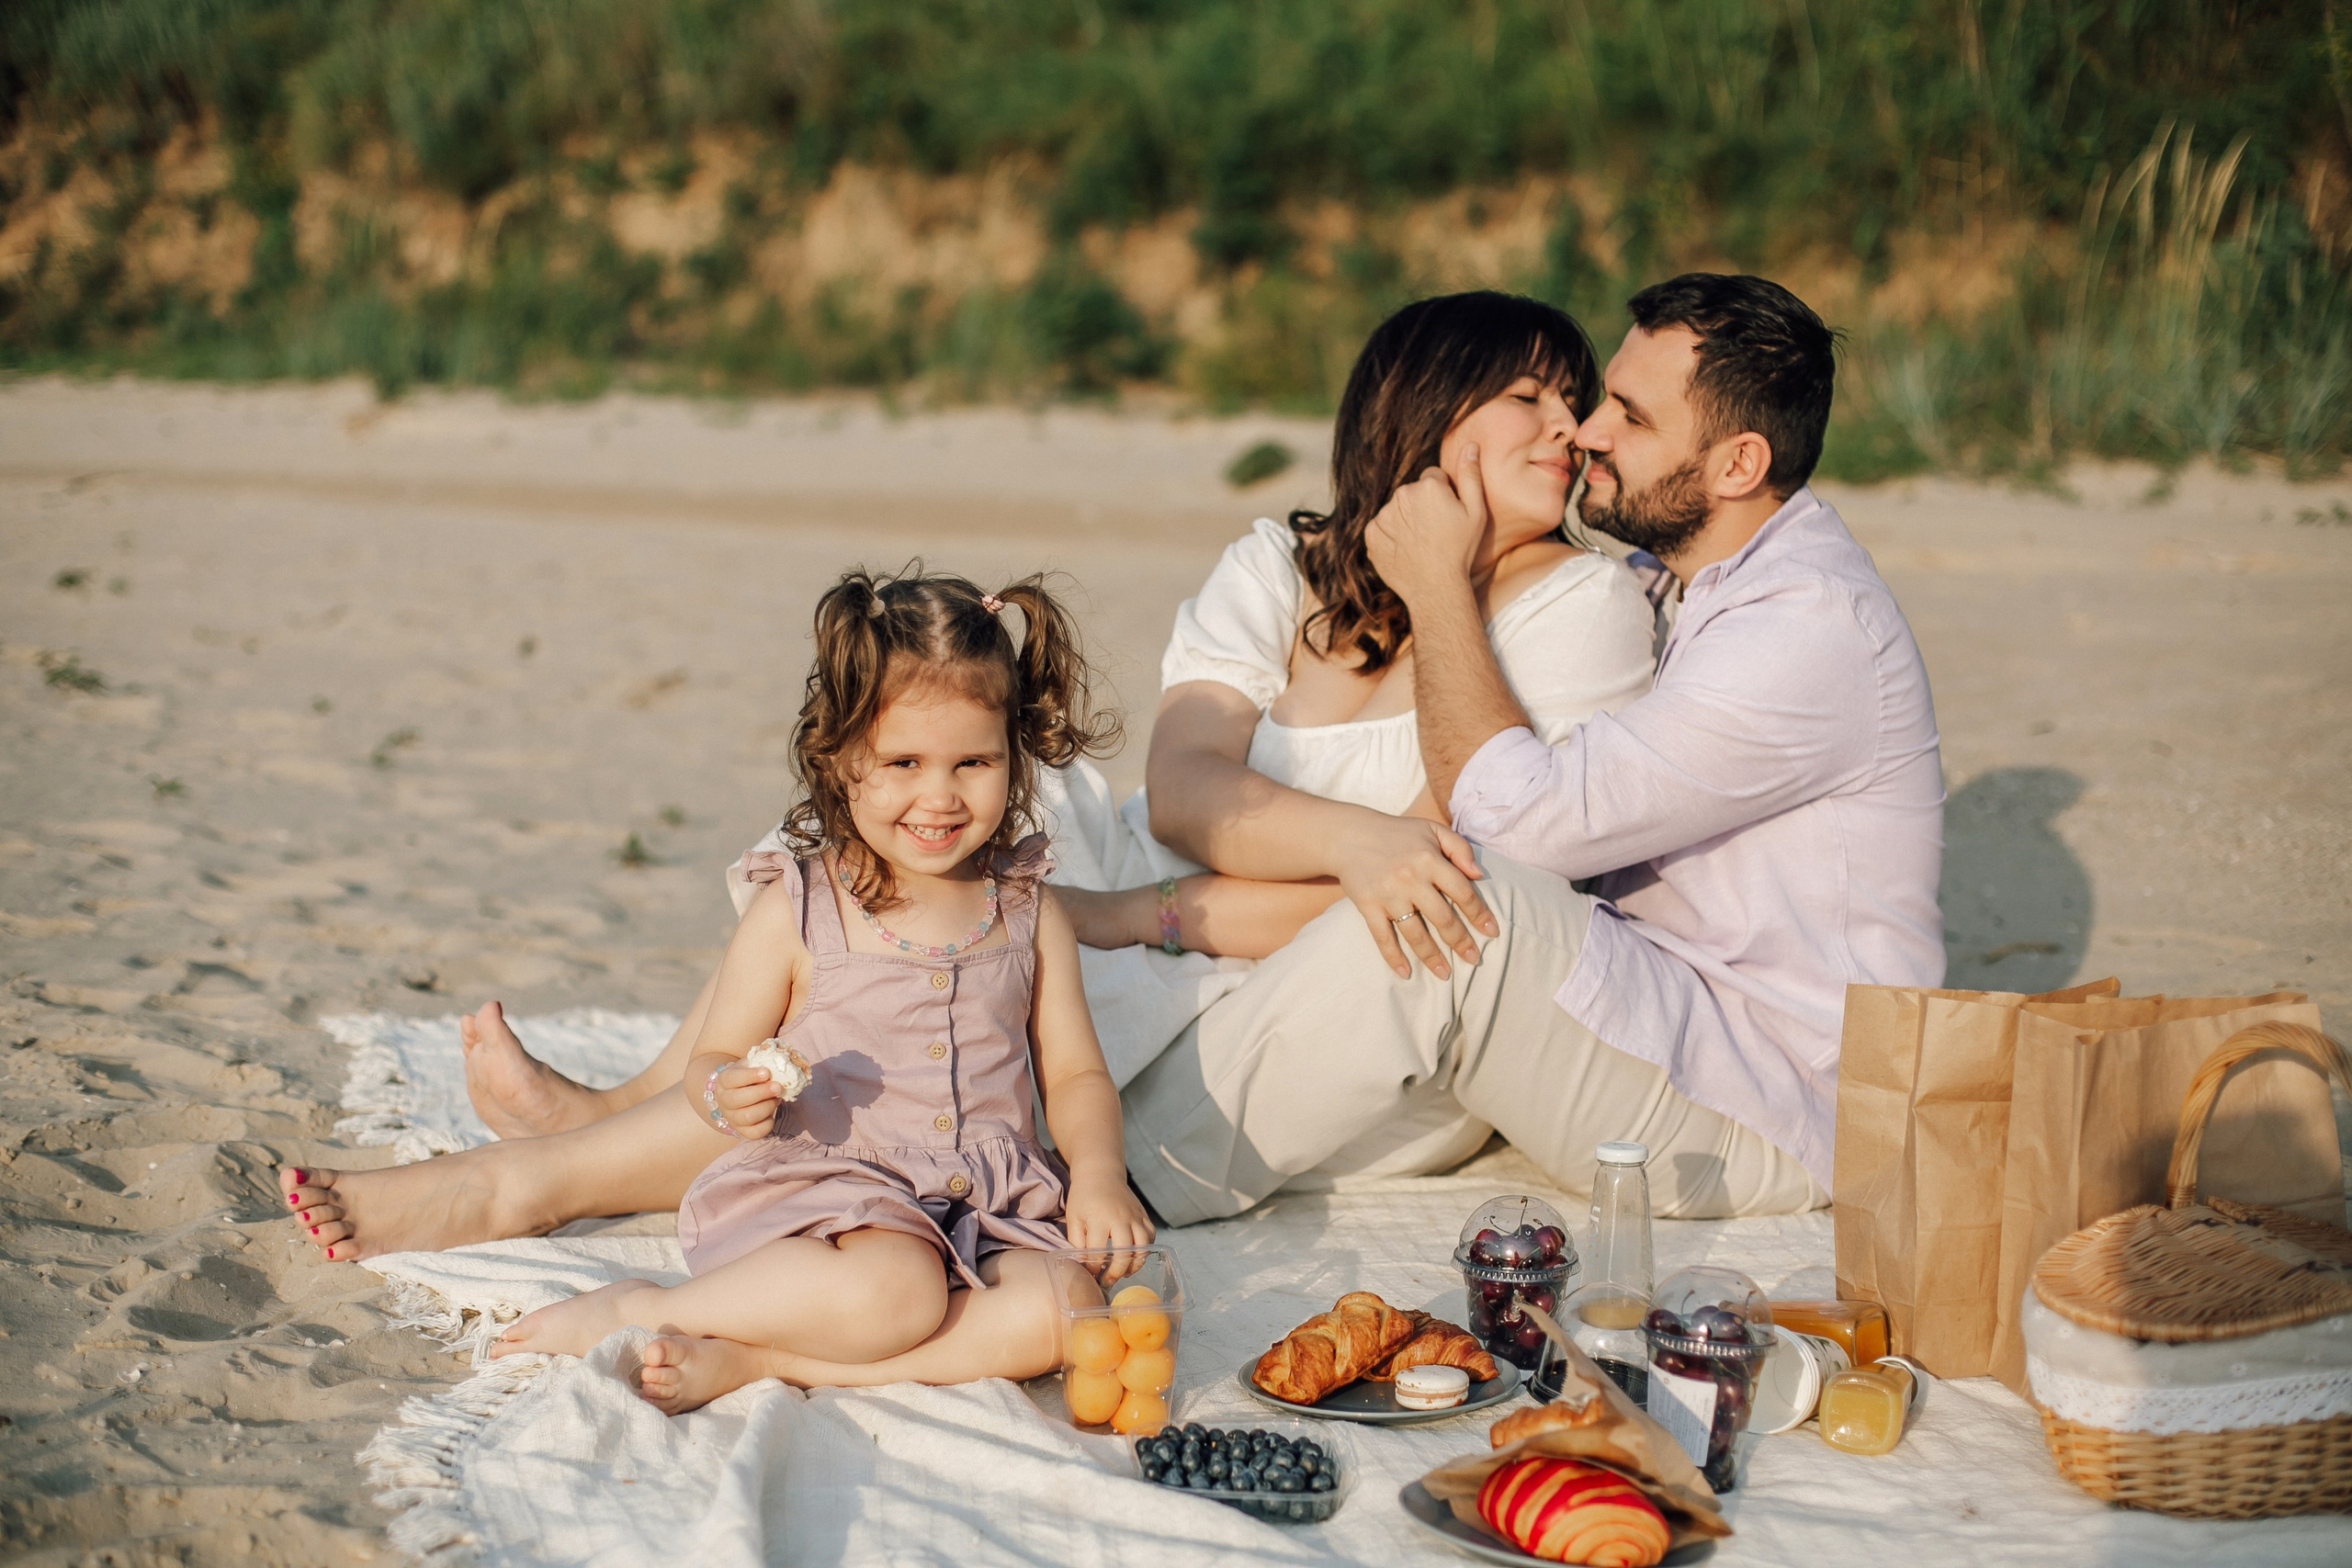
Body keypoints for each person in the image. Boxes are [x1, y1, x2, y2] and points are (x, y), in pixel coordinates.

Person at [451, 291, 1657, 1169]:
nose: (1574, 425)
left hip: (1329, 973)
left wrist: (1147, 919)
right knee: (898, 845)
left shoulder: (1584, 607)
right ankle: (633, 1100)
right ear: (1428, 412)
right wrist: (1336, 844)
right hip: (1156, 878)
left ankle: (578, 1168)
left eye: (1575, 395)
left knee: (957, 1031)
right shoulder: (1281, 565)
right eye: (1529, 395)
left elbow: (1444, 880)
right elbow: (1185, 786)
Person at [1114, 273, 1946, 1224]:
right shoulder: (1689, 581)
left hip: (1771, 1106)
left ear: (1735, 465)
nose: (1586, 431)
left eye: (1627, 416)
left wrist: (1435, 582)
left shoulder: (1801, 630)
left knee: (1470, 914)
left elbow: (1516, 826)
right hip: (1661, 1022)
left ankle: (1126, 1180)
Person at [283, 570, 1151, 1412]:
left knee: (1065, 1311)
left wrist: (1100, 1174)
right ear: (844, 758)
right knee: (899, 1290)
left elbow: (1073, 1074)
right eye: (903, 761)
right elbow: (711, 1059)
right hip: (846, 1199)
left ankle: (761, 1358)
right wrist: (724, 1093)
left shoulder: (1027, 913)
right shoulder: (799, 909)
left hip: (988, 1205)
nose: (939, 794)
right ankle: (640, 1307)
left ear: (1016, 754)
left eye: (973, 762)